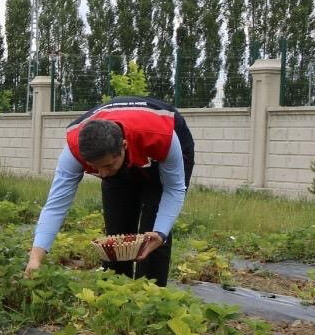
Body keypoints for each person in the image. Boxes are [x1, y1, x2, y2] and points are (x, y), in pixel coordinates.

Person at [26, 96, 195, 286]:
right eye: (95, 168)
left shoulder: (161, 136)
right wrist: (35, 259)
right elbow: (56, 205)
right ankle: (116, 294)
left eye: (107, 165)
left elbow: (174, 188)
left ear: (123, 146)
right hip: (126, 151)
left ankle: (150, 298)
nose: (102, 174)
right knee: (117, 235)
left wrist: (161, 232)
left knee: (153, 232)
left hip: (161, 145)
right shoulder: (74, 151)